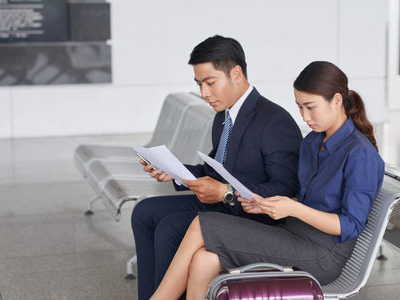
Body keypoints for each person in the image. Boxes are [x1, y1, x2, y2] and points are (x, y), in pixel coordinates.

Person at [149, 61, 385, 299]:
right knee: (204, 259)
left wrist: (293, 207)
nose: (304, 116)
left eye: (310, 107)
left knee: (203, 223)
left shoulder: (361, 155)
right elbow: (306, 199)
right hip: (293, 233)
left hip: (321, 254)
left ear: (336, 100)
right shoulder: (313, 142)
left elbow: (351, 226)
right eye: (300, 107)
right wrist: (269, 204)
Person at [131, 35, 303, 300]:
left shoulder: (274, 121)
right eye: (199, 84)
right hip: (225, 204)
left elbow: (286, 187)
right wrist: (175, 173)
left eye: (210, 83)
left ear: (236, 74)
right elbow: (216, 170)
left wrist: (227, 191)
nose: (204, 93)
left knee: (170, 227)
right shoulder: (224, 116)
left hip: (255, 216)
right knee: (144, 212)